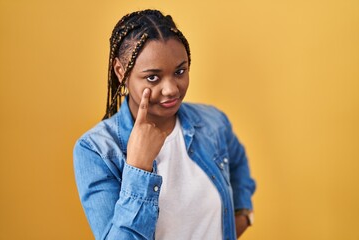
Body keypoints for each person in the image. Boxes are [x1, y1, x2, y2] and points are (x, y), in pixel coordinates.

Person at [73, 9, 256, 240]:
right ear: (121, 71)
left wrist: (242, 215)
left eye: (180, 71)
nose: (171, 89)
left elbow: (239, 164)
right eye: (152, 77)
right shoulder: (96, 150)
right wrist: (138, 167)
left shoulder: (213, 122)